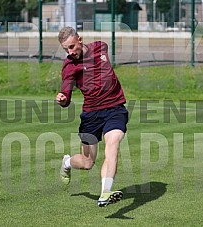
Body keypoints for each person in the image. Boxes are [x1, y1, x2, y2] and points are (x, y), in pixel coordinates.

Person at [56, 27, 128, 207]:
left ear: (80, 39)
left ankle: (105, 192)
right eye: (66, 49)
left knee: (113, 144)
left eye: (72, 47)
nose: (70, 52)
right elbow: (66, 94)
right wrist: (63, 99)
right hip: (91, 115)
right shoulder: (69, 66)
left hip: (114, 109)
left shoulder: (100, 47)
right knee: (88, 163)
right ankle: (67, 162)